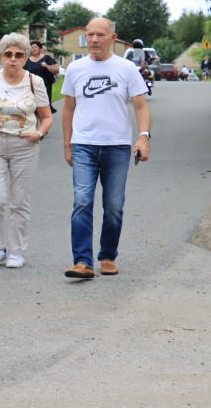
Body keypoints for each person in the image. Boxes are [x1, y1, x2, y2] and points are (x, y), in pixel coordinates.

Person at [61, 18, 151, 279]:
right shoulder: (75, 68)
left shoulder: (126, 68)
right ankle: (82, 262)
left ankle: (108, 255)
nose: (93, 39)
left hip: (117, 146)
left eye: (100, 34)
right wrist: (68, 144)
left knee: (114, 205)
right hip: (84, 146)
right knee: (81, 202)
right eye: (89, 35)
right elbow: (68, 108)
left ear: (113, 38)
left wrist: (143, 137)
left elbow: (141, 107)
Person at [0, 33, 52, 269]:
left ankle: (17, 251)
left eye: (19, 55)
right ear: (0, 56)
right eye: (8, 54)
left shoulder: (33, 82)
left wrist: (38, 134)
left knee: (19, 201)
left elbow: (46, 117)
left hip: (24, 146)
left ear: (26, 57)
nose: (13, 59)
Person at [24, 39, 60, 113]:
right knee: (32, 107)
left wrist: (47, 66)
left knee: (43, 106)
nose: (33, 49)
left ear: (40, 49)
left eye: (35, 47)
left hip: (45, 86)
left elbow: (56, 70)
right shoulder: (27, 60)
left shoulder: (46, 58)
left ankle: (44, 120)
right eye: (32, 47)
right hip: (31, 87)